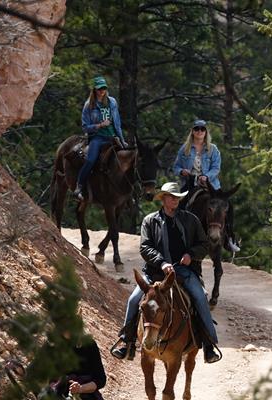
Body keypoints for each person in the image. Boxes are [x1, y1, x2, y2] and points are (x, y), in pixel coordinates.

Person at [111, 181, 221, 364]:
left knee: (200, 297)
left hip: (183, 271)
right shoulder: (150, 221)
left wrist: (191, 254)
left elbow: (204, 244)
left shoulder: (191, 220)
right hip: (155, 273)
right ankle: (126, 341)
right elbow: (145, 247)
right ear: (163, 199)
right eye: (171, 197)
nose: (175, 200)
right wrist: (161, 263)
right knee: (133, 300)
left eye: (178, 197)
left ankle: (209, 344)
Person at [172, 119, 240, 253]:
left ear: (206, 132)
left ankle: (229, 238)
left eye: (202, 129)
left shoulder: (212, 149)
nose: (199, 131)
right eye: (196, 129)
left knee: (227, 206)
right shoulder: (184, 149)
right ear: (192, 131)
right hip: (191, 184)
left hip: (211, 185)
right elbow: (176, 167)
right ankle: (175, 236)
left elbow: (216, 168)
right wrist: (182, 171)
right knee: (178, 206)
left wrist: (206, 176)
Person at [73, 76, 128, 200]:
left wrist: (121, 139)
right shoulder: (89, 106)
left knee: (127, 160)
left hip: (112, 137)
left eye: (104, 88)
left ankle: (129, 192)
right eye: (99, 89)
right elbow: (85, 127)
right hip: (97, 137)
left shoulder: (112, 102)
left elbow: (117, 123)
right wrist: (99, 125)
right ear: (94, 90)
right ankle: (79, 186)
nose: (102, 91)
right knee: (90, 160)